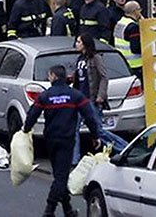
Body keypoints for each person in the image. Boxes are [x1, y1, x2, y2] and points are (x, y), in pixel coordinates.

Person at [23, 65, 101, 217]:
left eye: (49, 75)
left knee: (59, 175)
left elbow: (33, 114)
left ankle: (67, 210)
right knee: (61, 176)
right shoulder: (75, 95)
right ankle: (49, 210)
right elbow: (89, 116)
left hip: (51, 140)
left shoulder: (45, 96)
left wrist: (26, 130)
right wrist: (95, 135)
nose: (48, 78)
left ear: (53, 76)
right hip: (67, 140)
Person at [71, 34, 127, 165]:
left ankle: (124, 148)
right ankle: (74, 159)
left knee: (98, 130)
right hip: (80, 100)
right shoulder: (80, 59)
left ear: (85, 43)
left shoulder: (95, 58)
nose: (76, 44)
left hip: (91, 100)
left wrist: (101, 95)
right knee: (73, 129)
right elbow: (80, 79)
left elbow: (104, 77)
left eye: (79, 42)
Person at [113, 1, 144, 80]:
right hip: (135, 64)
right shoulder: (133, 27)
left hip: (123, 63)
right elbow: (136, 48)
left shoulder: (120, 23)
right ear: (135, 11)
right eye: (139, 9)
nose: (140, 12)